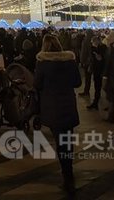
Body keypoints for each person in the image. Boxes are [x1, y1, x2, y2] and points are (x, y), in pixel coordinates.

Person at [34, 33, 82, 195]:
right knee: (67, 141)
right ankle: (69, 174)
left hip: (53, 106)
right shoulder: (69, 61)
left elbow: (36, 84)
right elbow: (77, 82)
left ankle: (67, 176)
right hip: (68, 105)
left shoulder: (42, 63)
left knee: (60, 142)